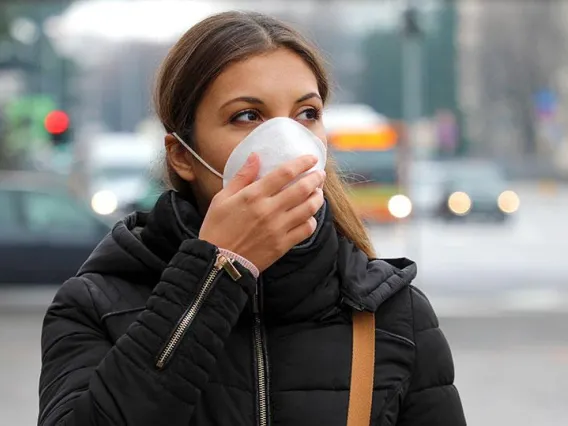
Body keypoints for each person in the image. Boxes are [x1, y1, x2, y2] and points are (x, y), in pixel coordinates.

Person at [38, 11, 466, 426]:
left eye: (306, 114)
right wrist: (215, 274)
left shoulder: (393, 314)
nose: (287, 141)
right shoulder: (95, 305)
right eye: (247, 116)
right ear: (183, 156)